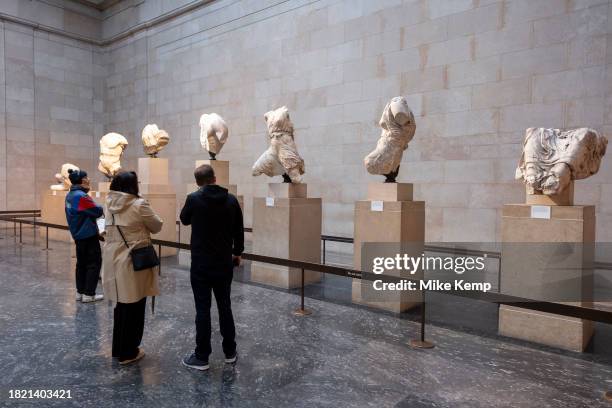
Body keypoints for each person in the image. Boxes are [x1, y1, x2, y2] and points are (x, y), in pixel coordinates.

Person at [180, 164, 244, 371]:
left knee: (202, 309)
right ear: (215, 178)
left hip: (200, 264)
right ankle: (230, 352)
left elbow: (184, 219)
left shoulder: (193, 199)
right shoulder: (231, 200)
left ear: (198, 182)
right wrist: (238, 252)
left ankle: (202, 356)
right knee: (225, 306)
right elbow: (238, 230)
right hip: (223, 262)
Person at [101, 171, 163, 365]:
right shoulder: (139, 204)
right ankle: (129, 352)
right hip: (133, 260)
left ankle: (118, 349)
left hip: (113, 260)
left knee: (121, 305)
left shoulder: (109, 203)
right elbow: (157, 225)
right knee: (135, 306)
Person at [65, 169, 104, 303]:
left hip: (78, 235)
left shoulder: (70, 195)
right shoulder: (81, 196)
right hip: (87, 235)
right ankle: (89, 293)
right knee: (93, 263)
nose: (88, 179)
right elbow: (96, 211)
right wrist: (101, 207)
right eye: (86, 177)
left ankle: (80, 292)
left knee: (81, 264)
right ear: (82, 180)